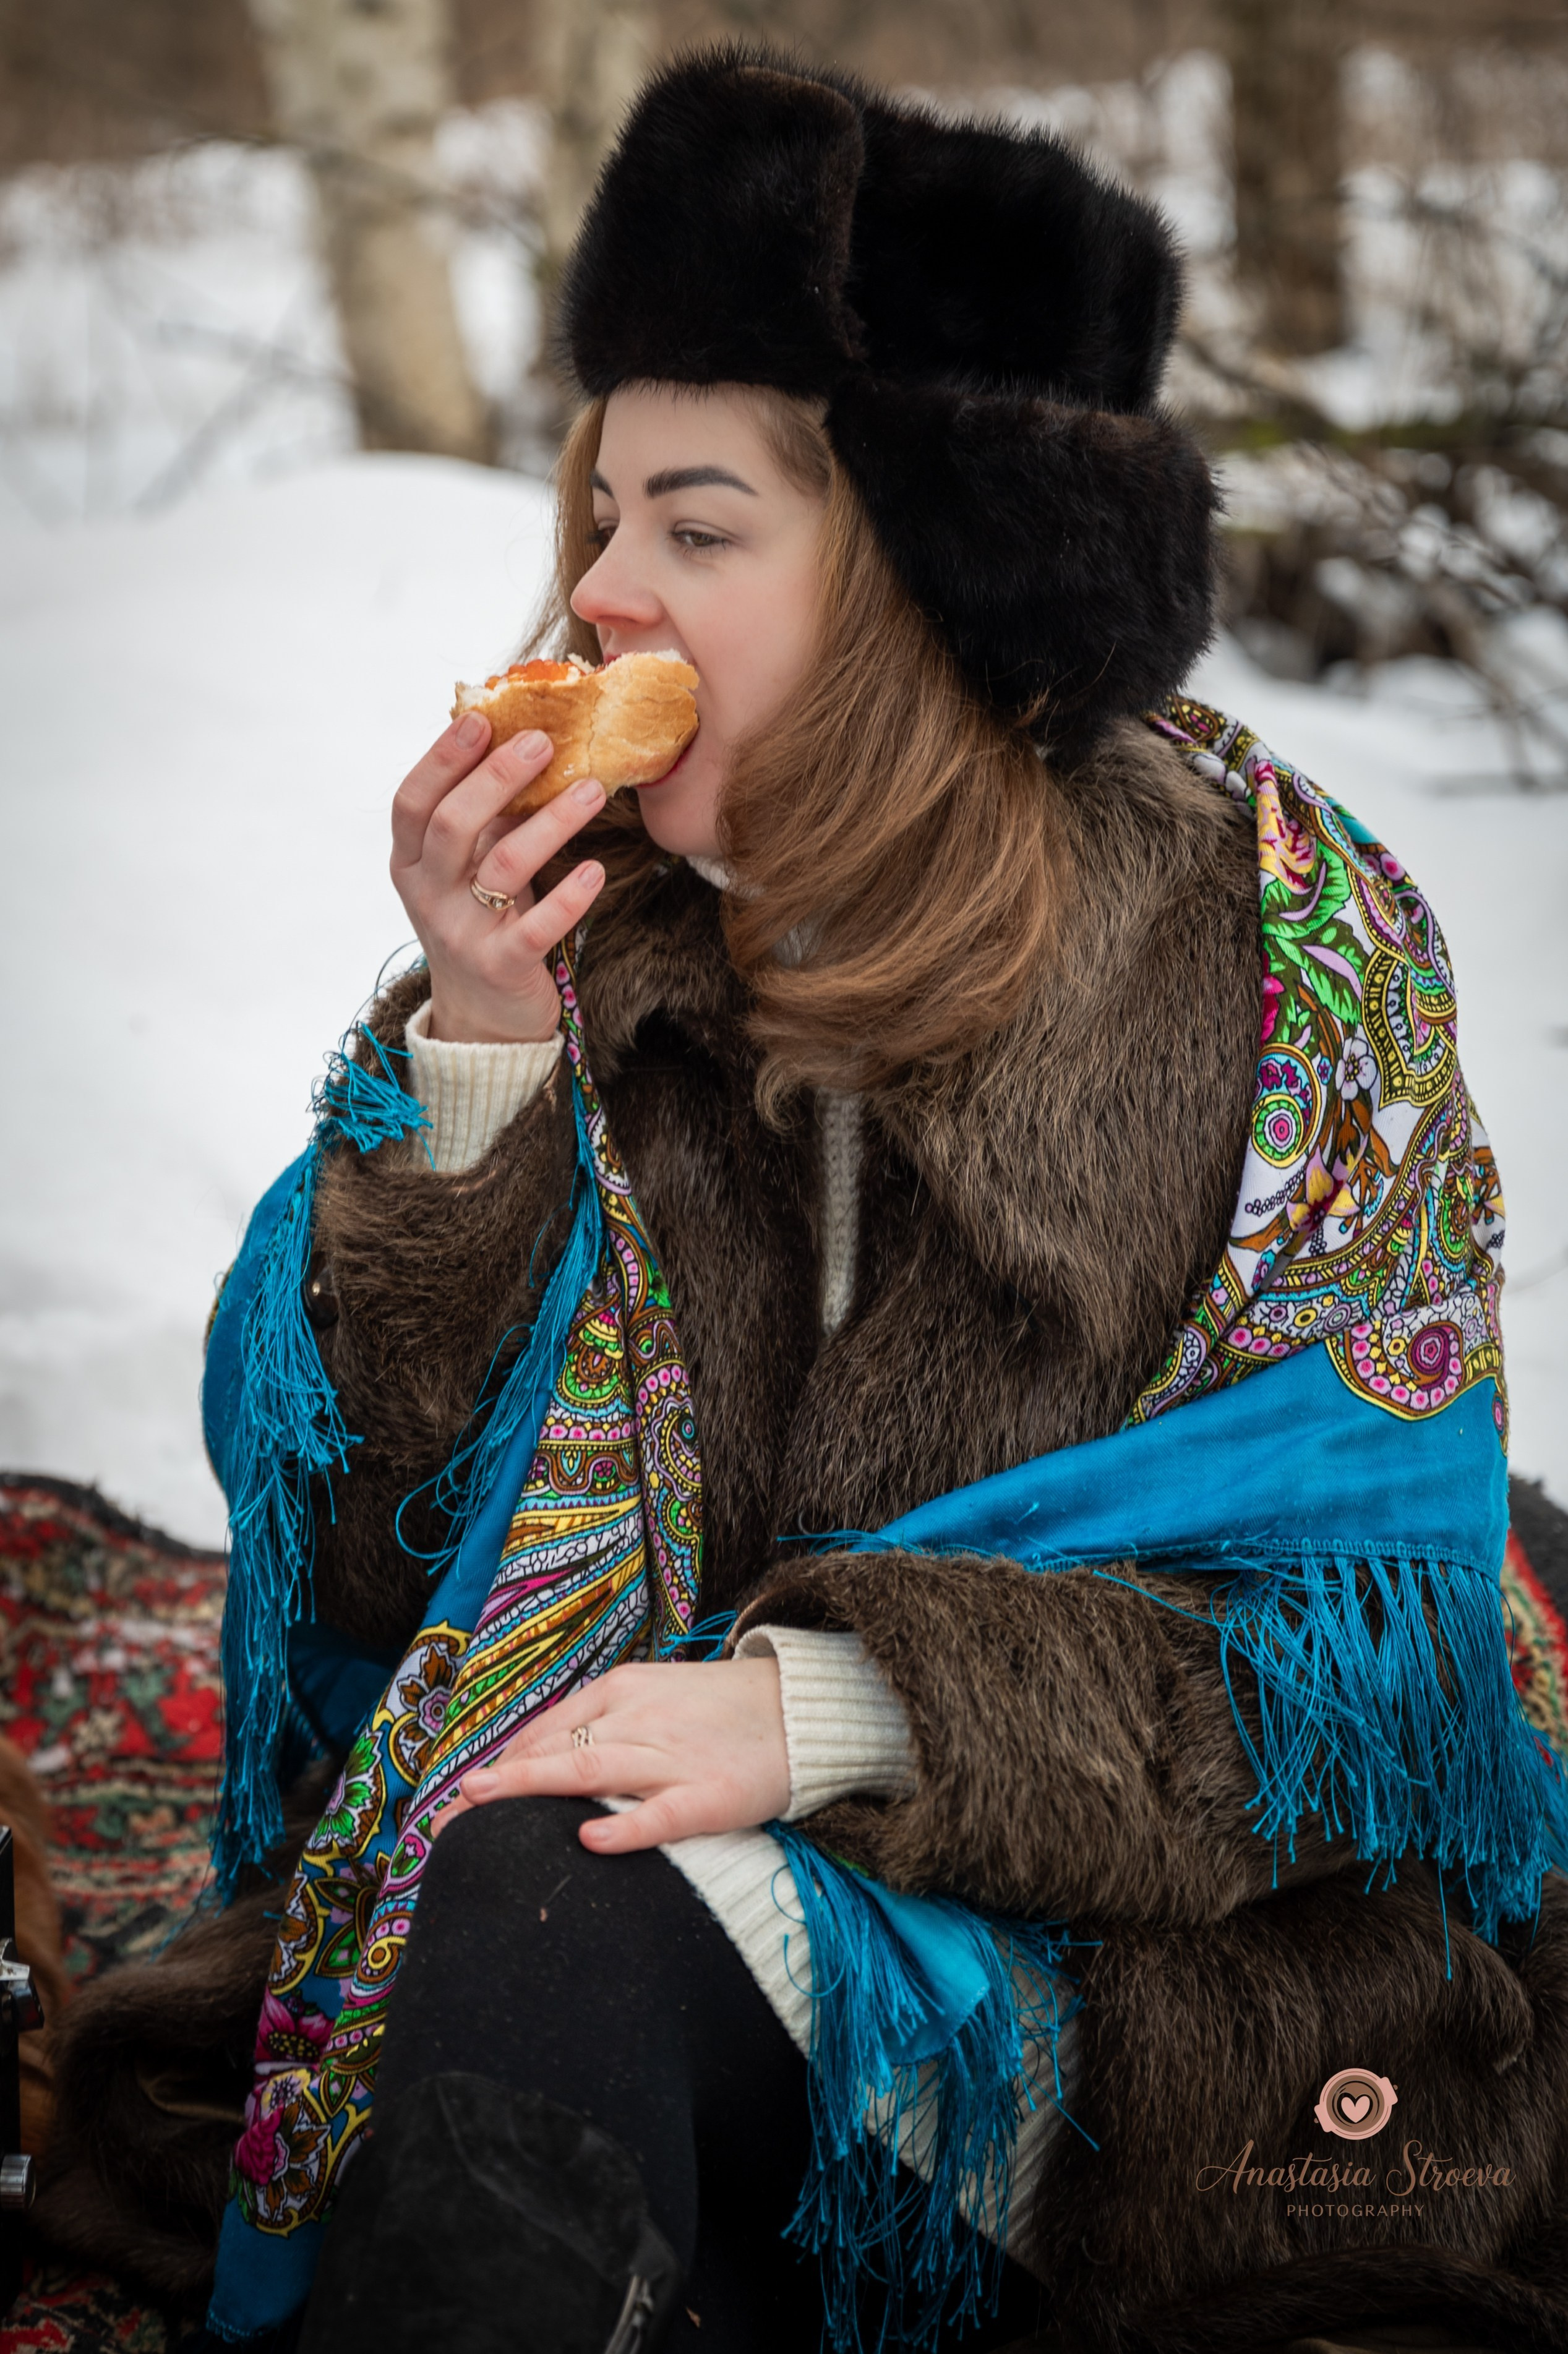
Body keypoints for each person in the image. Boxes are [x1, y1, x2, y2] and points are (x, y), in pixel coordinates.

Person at [36, 48, 1568, 2354]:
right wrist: (473, 1065)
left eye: (695, 525)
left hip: (1162, 1991)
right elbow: (362, 1575)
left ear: (923, 579)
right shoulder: (591, 946)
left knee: (563, 1912)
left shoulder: (1289, 985)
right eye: (598, 510)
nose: (596, 592)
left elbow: (1367, 1691)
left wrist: (836, 1717)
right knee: (534, 1956)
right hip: (680, 1938)